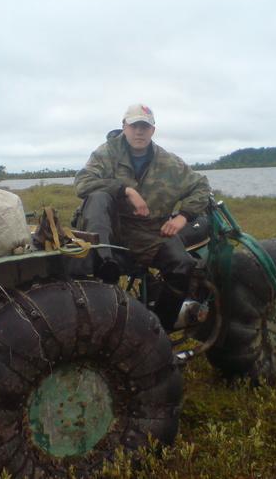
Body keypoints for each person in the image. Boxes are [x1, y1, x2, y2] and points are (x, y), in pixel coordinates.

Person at [71, 103, 211, 330]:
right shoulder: (105, 154)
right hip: (106, 228)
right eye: (134, 125)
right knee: (98, 197)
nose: (139, 131)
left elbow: (200, 186)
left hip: (147, 231)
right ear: (124, 127)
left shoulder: (169, 162)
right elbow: (83, 184)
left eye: (145, 126)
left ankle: (159, 332)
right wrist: (125, 189)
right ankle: (105, 263)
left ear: (152, 130)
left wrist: (183, 217)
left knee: (182, 265)